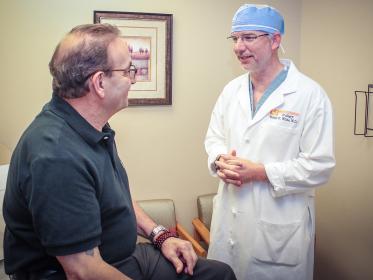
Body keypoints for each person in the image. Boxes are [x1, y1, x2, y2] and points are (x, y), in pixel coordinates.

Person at [3, 24, 236, 280]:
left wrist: (161, 235)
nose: (133, 79)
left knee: (219, 274)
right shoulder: (56, 155)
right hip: (84, 270)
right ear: (100, 82)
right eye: (128, 71)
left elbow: (116, 198)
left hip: (123, 257)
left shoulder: (91, 125)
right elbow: (82, 271)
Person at [204, 4, 335, 280]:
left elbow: (320, 165)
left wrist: (261, 173)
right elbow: (214, 137)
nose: (239, 47)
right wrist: (219, 161)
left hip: (279, 232)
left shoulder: (309, 95)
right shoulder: (231, 91)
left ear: (275, 40)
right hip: (230, 220)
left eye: (249, 37)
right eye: (235, 38)